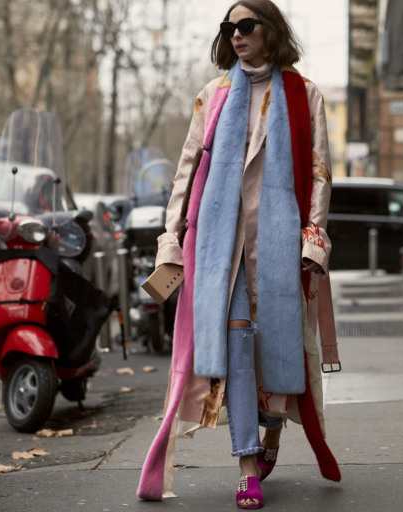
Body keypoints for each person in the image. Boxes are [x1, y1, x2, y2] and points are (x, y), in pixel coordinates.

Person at [137, 1, 341, 508]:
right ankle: (248, 464)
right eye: (228, 27)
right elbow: (186, 173)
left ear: (270, 30)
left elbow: (319, 172)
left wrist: (313, 240)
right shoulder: (214, 95)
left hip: (279, 246)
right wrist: (170, 240)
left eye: (245, 25)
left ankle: (271, 431)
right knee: (237, 345)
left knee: (278, 348)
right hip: (219, 250)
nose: (235, 35)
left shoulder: (304, 94)